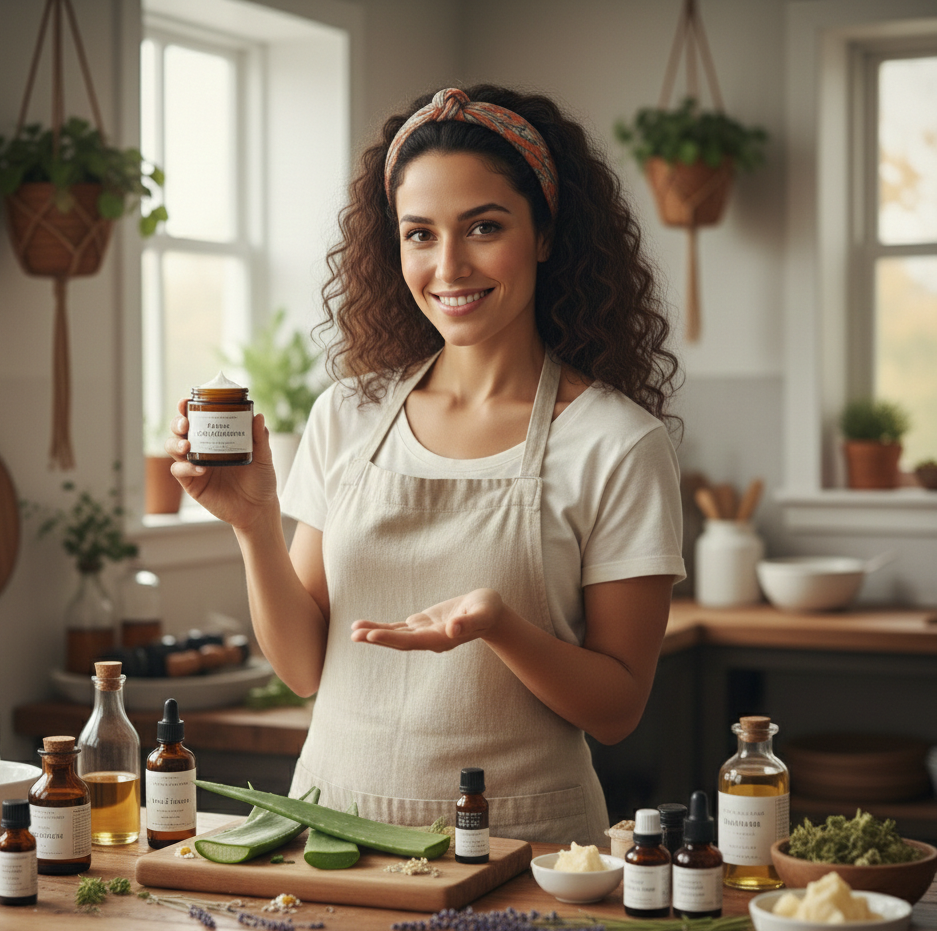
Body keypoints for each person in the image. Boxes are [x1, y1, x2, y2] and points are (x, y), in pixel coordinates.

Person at [168, 84, 685, 844]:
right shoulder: (348, 414)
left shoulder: (618, 442)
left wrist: (499, 627)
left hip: (520, 845)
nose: (448, 266)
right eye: (419, 233)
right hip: (330, 836)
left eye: (483, 226)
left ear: (545, 233)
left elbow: (617, 709)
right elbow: (307, 669)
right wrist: (252, 525)